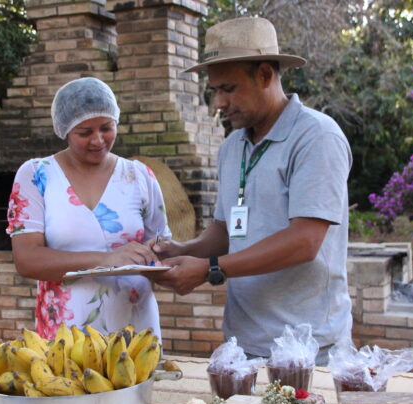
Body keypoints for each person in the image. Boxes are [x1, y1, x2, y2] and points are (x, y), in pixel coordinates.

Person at [150, 17, 352, 365]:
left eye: (228, 88)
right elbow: (227, 231)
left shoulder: (316, 137)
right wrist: (182, 251)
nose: (219, 103)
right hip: (242, 345)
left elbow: (305, 241)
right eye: (214, 90)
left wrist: (210, 268)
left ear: (264, 75)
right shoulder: (232, 148)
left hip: (309, 349)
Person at [7, 77, 171, 340]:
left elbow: (162, 245)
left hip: (134, 329)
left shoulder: (139, 176)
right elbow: (27, 260)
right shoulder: (37, 175)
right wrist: (105, 260)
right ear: (65, 130)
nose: (98, 140)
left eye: (106, 128)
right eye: (84, 133)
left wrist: (164, 257)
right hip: (65, 334)